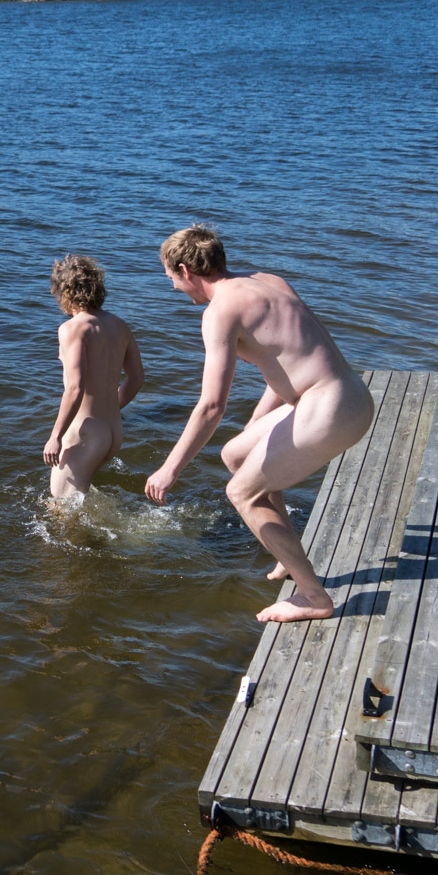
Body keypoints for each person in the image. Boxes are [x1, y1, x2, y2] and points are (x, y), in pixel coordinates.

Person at [143, 225, 374, 623]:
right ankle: (287, 556)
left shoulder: (220, 312)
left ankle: (313, 597)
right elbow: (292, 354)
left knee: (242, 493)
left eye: (172, 280)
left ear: (185, 269)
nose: (176, 290)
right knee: (236, 453)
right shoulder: (268, 280)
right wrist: (258, 420)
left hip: (329, 408)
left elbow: (212, 405)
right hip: (348, 393)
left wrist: (170, 468)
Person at [44, 255, 144, 498]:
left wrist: (55, 437)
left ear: (64, 292)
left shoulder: (72, 329)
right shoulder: (120, 325)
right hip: (113, 431)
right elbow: (136, 378)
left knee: (60, 509)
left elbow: (75, 388)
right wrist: (112, 408)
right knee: (82, 500)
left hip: (85, 432)